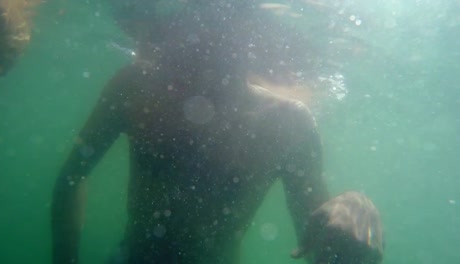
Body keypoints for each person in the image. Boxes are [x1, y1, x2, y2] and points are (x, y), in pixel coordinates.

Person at [52, 2, 383, 264]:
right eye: (202, 15)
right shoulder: (134, 87)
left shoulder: (287, 124)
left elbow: (319, 242)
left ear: (253, 35)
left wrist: (353, 208)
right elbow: (72, 176)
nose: (210, 35)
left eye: (228, 18)